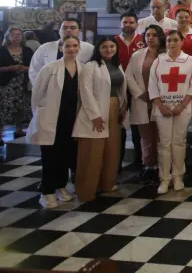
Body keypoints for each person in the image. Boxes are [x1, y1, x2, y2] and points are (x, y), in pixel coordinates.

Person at [26, 36, 81, 208]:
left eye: (75, 46)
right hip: (51, 119)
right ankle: (47, 191)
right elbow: (37, 95)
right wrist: (40, 115)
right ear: (61, 48)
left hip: (71, 119)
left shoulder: (82, 68)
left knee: (66, 154)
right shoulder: (49, 69)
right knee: (50, 156)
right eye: (68, 46)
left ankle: (61, 186)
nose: (71, 49)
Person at [73, 36, 127, 203]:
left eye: (112, 46)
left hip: (114, 109)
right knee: (92, 151)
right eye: (104, 47)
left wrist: (123, 105)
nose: (109, 49)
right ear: (98, 49)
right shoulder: (90, 66)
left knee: (112, 149)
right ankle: (86, 189)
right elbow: (85, 92)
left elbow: (120, 88)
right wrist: (94, 115)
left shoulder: (117, 65)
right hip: (96, 112)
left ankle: (107, 183)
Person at [148, 30, 192, 194]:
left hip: (182, 108)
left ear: (182, 42)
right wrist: (161, 106)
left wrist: (181, 106)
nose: (172, 43)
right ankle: (164, 179)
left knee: (179, 142)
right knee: (164, 143)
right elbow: (152, 86)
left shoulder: (190, 61)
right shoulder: (158, 61)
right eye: (169, 40)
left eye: (176, 40)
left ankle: (178, 176)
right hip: (162, 108)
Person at [126, 25, 165, 184]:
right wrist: (139, 94)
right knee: (146, 137)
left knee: (161, 136)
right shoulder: (137, 55)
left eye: (154, 35)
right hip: (142, 100)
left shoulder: (167, 55)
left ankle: (162, 168)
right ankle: (149, 167)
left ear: (160, 37)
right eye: (148, 35)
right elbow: (128, 76)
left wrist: (158, 96)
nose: (150, 38)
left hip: (161, 101)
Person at [115, 13, 145, 171]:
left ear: (137, 24)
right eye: (125, 22)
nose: (128, 24)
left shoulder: (143, 41)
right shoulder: (113, 41)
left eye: (131, 22)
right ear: (120, 24)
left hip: (138, 89)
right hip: (117, 89)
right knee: (118, 126)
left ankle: (139, 160)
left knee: (137, 126)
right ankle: (116, 163)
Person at [29, 18, 94, 87]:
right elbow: (34, 70)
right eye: (64, 28)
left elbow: (94, 72)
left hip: (79, 90)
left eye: (73, 28)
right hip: (50, 91)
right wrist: (42, 89)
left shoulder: (90, 49)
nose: (68, 30)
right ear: (59, 31)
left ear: (79, 31)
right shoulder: (44, 48)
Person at [0, 27, 33, 137]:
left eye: (19, 34)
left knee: (21, 107)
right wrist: (9, 68)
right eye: (13, 34)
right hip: (6, 84)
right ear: (8, 36)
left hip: (22, 83)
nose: (16, 36)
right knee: (4, 108)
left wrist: (26, 68)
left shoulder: (27, 50)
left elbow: (34, 66)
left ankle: (19, 129)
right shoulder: (2, 50)